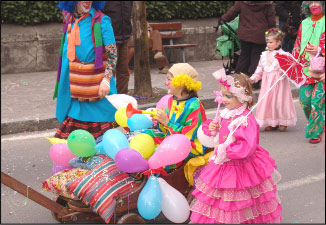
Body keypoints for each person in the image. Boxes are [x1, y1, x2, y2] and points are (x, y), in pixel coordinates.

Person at [189, 69, 282, 223]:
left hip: (241, 164)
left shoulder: (245, 119)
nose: (224, 99)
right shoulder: (226, 113)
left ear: (241, 96)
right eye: (222, 94)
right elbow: (220, 133)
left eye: (228, 96)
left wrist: (227, 150)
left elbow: (247, 146)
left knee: (242, 199)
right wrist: (213, 127)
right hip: (223, 162)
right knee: (220, 198)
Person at [54, 1, 118, 140]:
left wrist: (106, 80)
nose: (87, 1)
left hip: (97, 90)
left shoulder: (102, 21)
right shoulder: (69, 20)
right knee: (74, 143)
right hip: (76, 90)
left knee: (102, 142)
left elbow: (112, 54)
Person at [143, 63, 207, 170]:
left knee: (159, 152)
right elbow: (165, 130)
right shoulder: (170, 100)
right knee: (146, 135)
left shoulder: (194, 105)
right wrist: (160, 120)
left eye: (169, 79)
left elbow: (187, 136)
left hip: (189, 146)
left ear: (181, 83)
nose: (166, 83)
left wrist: (167, 122)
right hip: (171, 138)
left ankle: (154, 172)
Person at [250, 28, 297, 132]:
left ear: (278, 42)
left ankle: (283, 121)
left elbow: (288, 68)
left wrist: (283, 72)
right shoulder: (264, 55)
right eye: (267, 42)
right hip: (267, 84)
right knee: (269, 102)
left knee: (280, 101)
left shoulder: (284, 55)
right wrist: (254, 78)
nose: (268, 44)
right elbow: (260, 69)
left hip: (279, 83)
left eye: (271, 42)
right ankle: (272, 122)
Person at [221, 1, 276, 89]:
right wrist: (273, 29)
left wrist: (223, 18)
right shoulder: (267, 3)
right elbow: (271, 19)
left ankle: (239, 80)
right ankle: (254, 82)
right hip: (260, 35)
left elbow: (232, 13)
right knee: (257, 58)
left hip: (245, 34)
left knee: (244, 56)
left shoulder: (241, 2)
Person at [292, 1, 325, 144]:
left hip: (322, 71)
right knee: (305, 102)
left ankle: (315, 132)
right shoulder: (304, 23)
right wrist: (293, 60)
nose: (314, 4)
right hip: (306, 70)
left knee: (317, 101)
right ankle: (319, 121)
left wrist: (319, 50)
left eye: (317, 1)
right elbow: (298, 44)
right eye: (310, 2)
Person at [102, 1, 133, 94]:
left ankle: (122, 98)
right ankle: (110, 99)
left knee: (124, 71)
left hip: (124, 37)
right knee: (110, 72)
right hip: (110, 39)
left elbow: (129, 13)